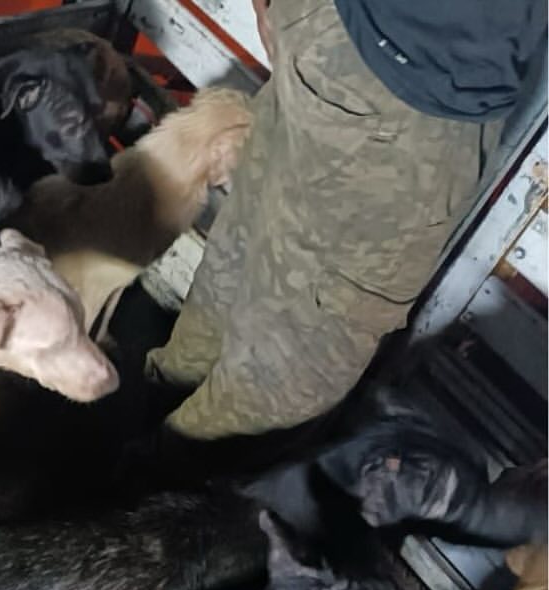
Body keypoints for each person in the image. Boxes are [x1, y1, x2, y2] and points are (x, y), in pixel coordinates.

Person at [145, 0, 546, 446]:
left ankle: (152, 403)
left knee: (246, 243)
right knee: (295, 370)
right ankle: (154, 476)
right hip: (414, 79)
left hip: (336, 30)